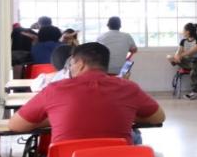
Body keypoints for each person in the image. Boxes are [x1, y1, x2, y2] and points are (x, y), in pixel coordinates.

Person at [9, 42, 165, 149]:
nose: (70, 68)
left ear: (80, 64)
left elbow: (15, 125)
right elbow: (158, 117)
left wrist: (57, 117)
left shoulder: (55, 89)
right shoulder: (128, 87)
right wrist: (121, 114)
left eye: (71, 64)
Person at [167, 23, 197, 100]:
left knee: (193, 71)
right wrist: (175, 57)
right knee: (170, 57)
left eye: (183, 30)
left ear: (188, 32)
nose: (182, 32)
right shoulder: (183, 41)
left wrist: (180, 56)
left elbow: (192, 52)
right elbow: (178, 51)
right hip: (189, 61)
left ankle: (195, 91)